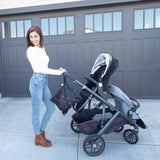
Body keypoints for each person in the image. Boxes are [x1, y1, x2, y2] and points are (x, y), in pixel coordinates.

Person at [26, 26, 66, 147]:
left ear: (40, 36)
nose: (33, 39)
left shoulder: (42, 48)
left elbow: (44, 64)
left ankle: (41, 133)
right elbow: (40, 68)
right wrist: (57, 72)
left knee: (51, 108)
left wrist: (57, 69)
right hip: (37, 82)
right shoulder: (31, 50)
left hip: (43, 81)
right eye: (31, 37)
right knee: (36, 111)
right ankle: (37, 136)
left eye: (35, 36)